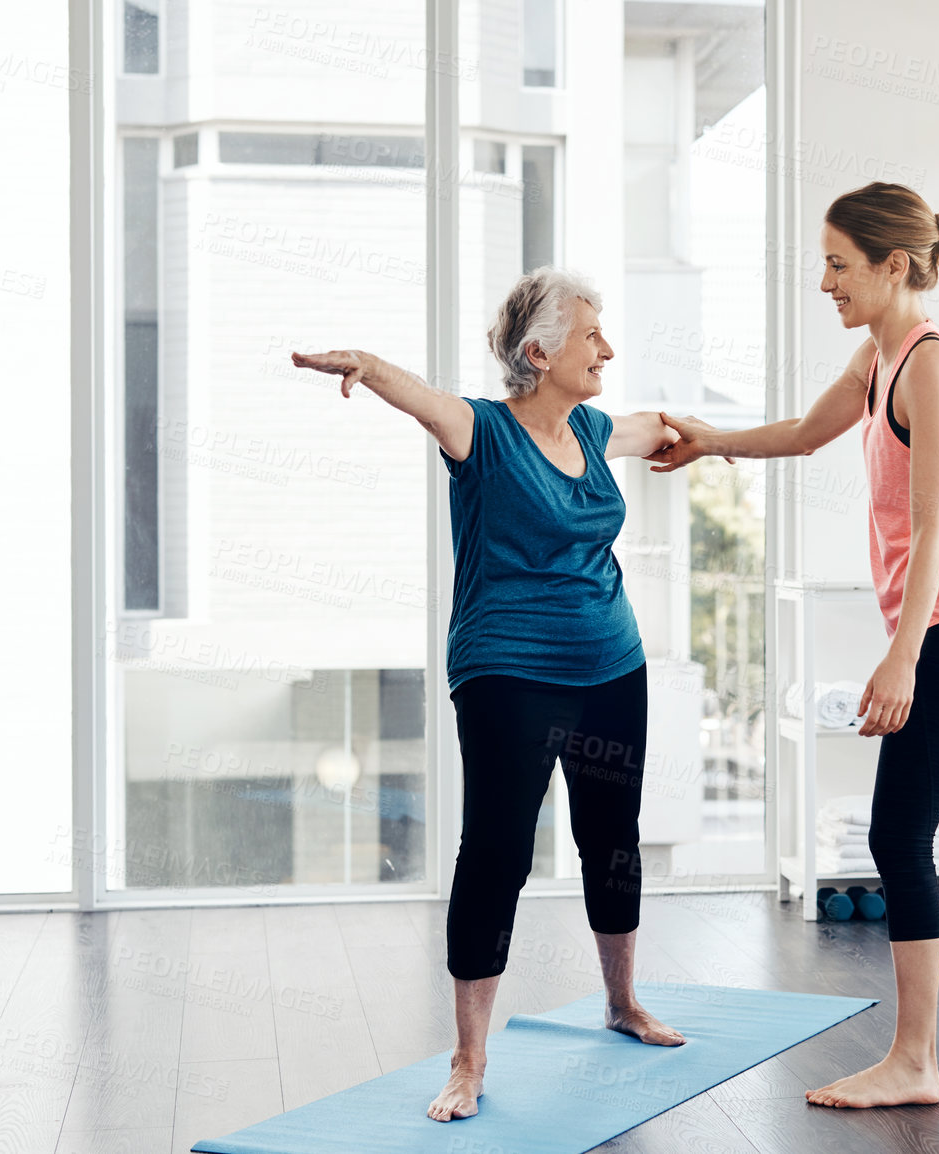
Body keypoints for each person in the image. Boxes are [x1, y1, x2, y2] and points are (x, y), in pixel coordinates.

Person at [645, 182, 939, 1108]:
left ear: (892, 265)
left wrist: (903, 655)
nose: (826, 280)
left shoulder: (927, 366)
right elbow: (806, 435)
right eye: (826, 262)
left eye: (840, 263)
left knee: (895, 834)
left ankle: (912, 1063)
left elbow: (931, 530)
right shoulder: (876, 359)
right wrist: (710, 442)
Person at [293, 267, 702, 1123]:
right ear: (538, 351)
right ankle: (468, 1058)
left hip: (612, 666)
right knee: (498, 853)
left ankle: (623, 1004)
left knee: (611, 839)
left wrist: (726, 436)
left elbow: (656, 427)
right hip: (508, 673)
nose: (607, 349)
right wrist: (366, 364)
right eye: (593, 335)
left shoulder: (591, 430)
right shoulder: (480, 432)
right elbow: (421, 399)